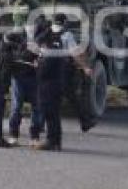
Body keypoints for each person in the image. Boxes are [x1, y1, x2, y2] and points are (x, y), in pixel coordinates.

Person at [35, 14, 93, 151]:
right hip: (61, 74)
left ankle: (52, 140)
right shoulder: (67, 35)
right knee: (58, 106)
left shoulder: (43, 35)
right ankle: (56, 140)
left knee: (48, 109)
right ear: (64, 23)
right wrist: (85, 67)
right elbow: (75, 53)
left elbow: (37, 53)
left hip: (45, 77)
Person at [7, 28, 43, 147]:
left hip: (32, 79)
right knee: (17, 107)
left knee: (35, 107)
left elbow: (41, 59)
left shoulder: (34, 45)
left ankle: (34, 136)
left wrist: (38, 62)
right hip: (18, 79)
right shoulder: (11, 45)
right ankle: (13, 135)